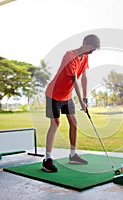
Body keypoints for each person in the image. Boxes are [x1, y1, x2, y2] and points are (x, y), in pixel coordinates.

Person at [42, 34, 100, 172]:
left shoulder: (85, 57)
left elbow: (84, 77)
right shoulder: (70, 56)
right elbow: (75, 81)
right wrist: (81, 103)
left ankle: (73, 155)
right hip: (53, 94)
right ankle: (47, 160)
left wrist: (85, 99)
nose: (92, 52)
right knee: (55, 124)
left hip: (66, 96)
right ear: (85, 43)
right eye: (91, 48)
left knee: (74, 122)